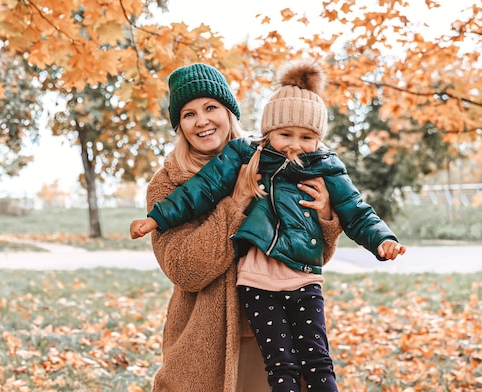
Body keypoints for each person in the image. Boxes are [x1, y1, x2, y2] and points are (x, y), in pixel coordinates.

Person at [131, 60, 407, 392]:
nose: (201, 120)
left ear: (229, 111)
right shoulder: (168, 186)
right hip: (207, 346)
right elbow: (186, 270)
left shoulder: (279, 158)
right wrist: (237, 204)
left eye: (210, 107)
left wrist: (324, 217)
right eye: (188, 114)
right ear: (179, 125)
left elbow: (308, 254)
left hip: (279, 337)